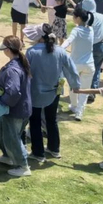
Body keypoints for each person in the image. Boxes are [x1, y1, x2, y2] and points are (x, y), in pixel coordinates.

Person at [24, 24, 80, 162]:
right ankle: (54, 148)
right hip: (55, 91)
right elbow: (71, 70)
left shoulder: (31, 52)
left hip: (36, 91)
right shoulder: (60, 51)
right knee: (51, 119)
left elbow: (25, 73)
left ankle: (38, 153)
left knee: (35, 121)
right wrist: (75, 85)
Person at [0, 36, 32, 178]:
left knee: (13, 138)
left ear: (8, 50)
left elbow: (13, 92)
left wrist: (3, 101)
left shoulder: (12, 70)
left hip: (14, 110)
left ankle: (23, 166)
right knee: (6, 133)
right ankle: (8, 156)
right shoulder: (20, 64)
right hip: (20, 108)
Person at [61, 7, 95, 121]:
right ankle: (79, 112)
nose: (73, 18)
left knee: (73, 86)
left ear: (78, 18)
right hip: (89, 64)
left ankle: (74, 106)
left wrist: (59, 49)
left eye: (74, 16)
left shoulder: (76, 30)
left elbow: (68, 41)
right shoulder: (91, 30)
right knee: (84, 90)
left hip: (75, 64)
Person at [81, 0, 103, 100]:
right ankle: (92, 91)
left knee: (84, 69)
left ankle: (82, 90)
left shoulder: (84, 17)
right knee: (96, 69)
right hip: (100, 45)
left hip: (87, 46)